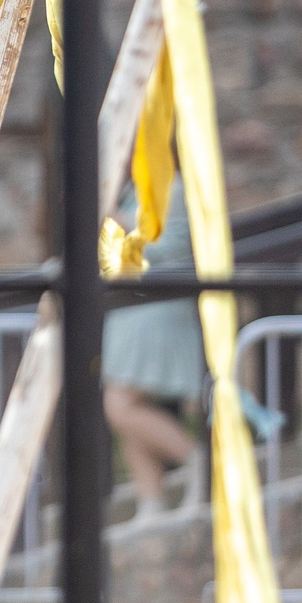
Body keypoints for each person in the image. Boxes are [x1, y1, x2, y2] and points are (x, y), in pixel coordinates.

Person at [102, 184, 206, 520]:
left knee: (120, 406)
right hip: (129, 307)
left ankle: (196, 459)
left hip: (157, 306)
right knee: (127, 408)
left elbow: (176, 246)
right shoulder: (137, 189)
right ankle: (150, 501)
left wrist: (118, 223)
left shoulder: (173, 187)